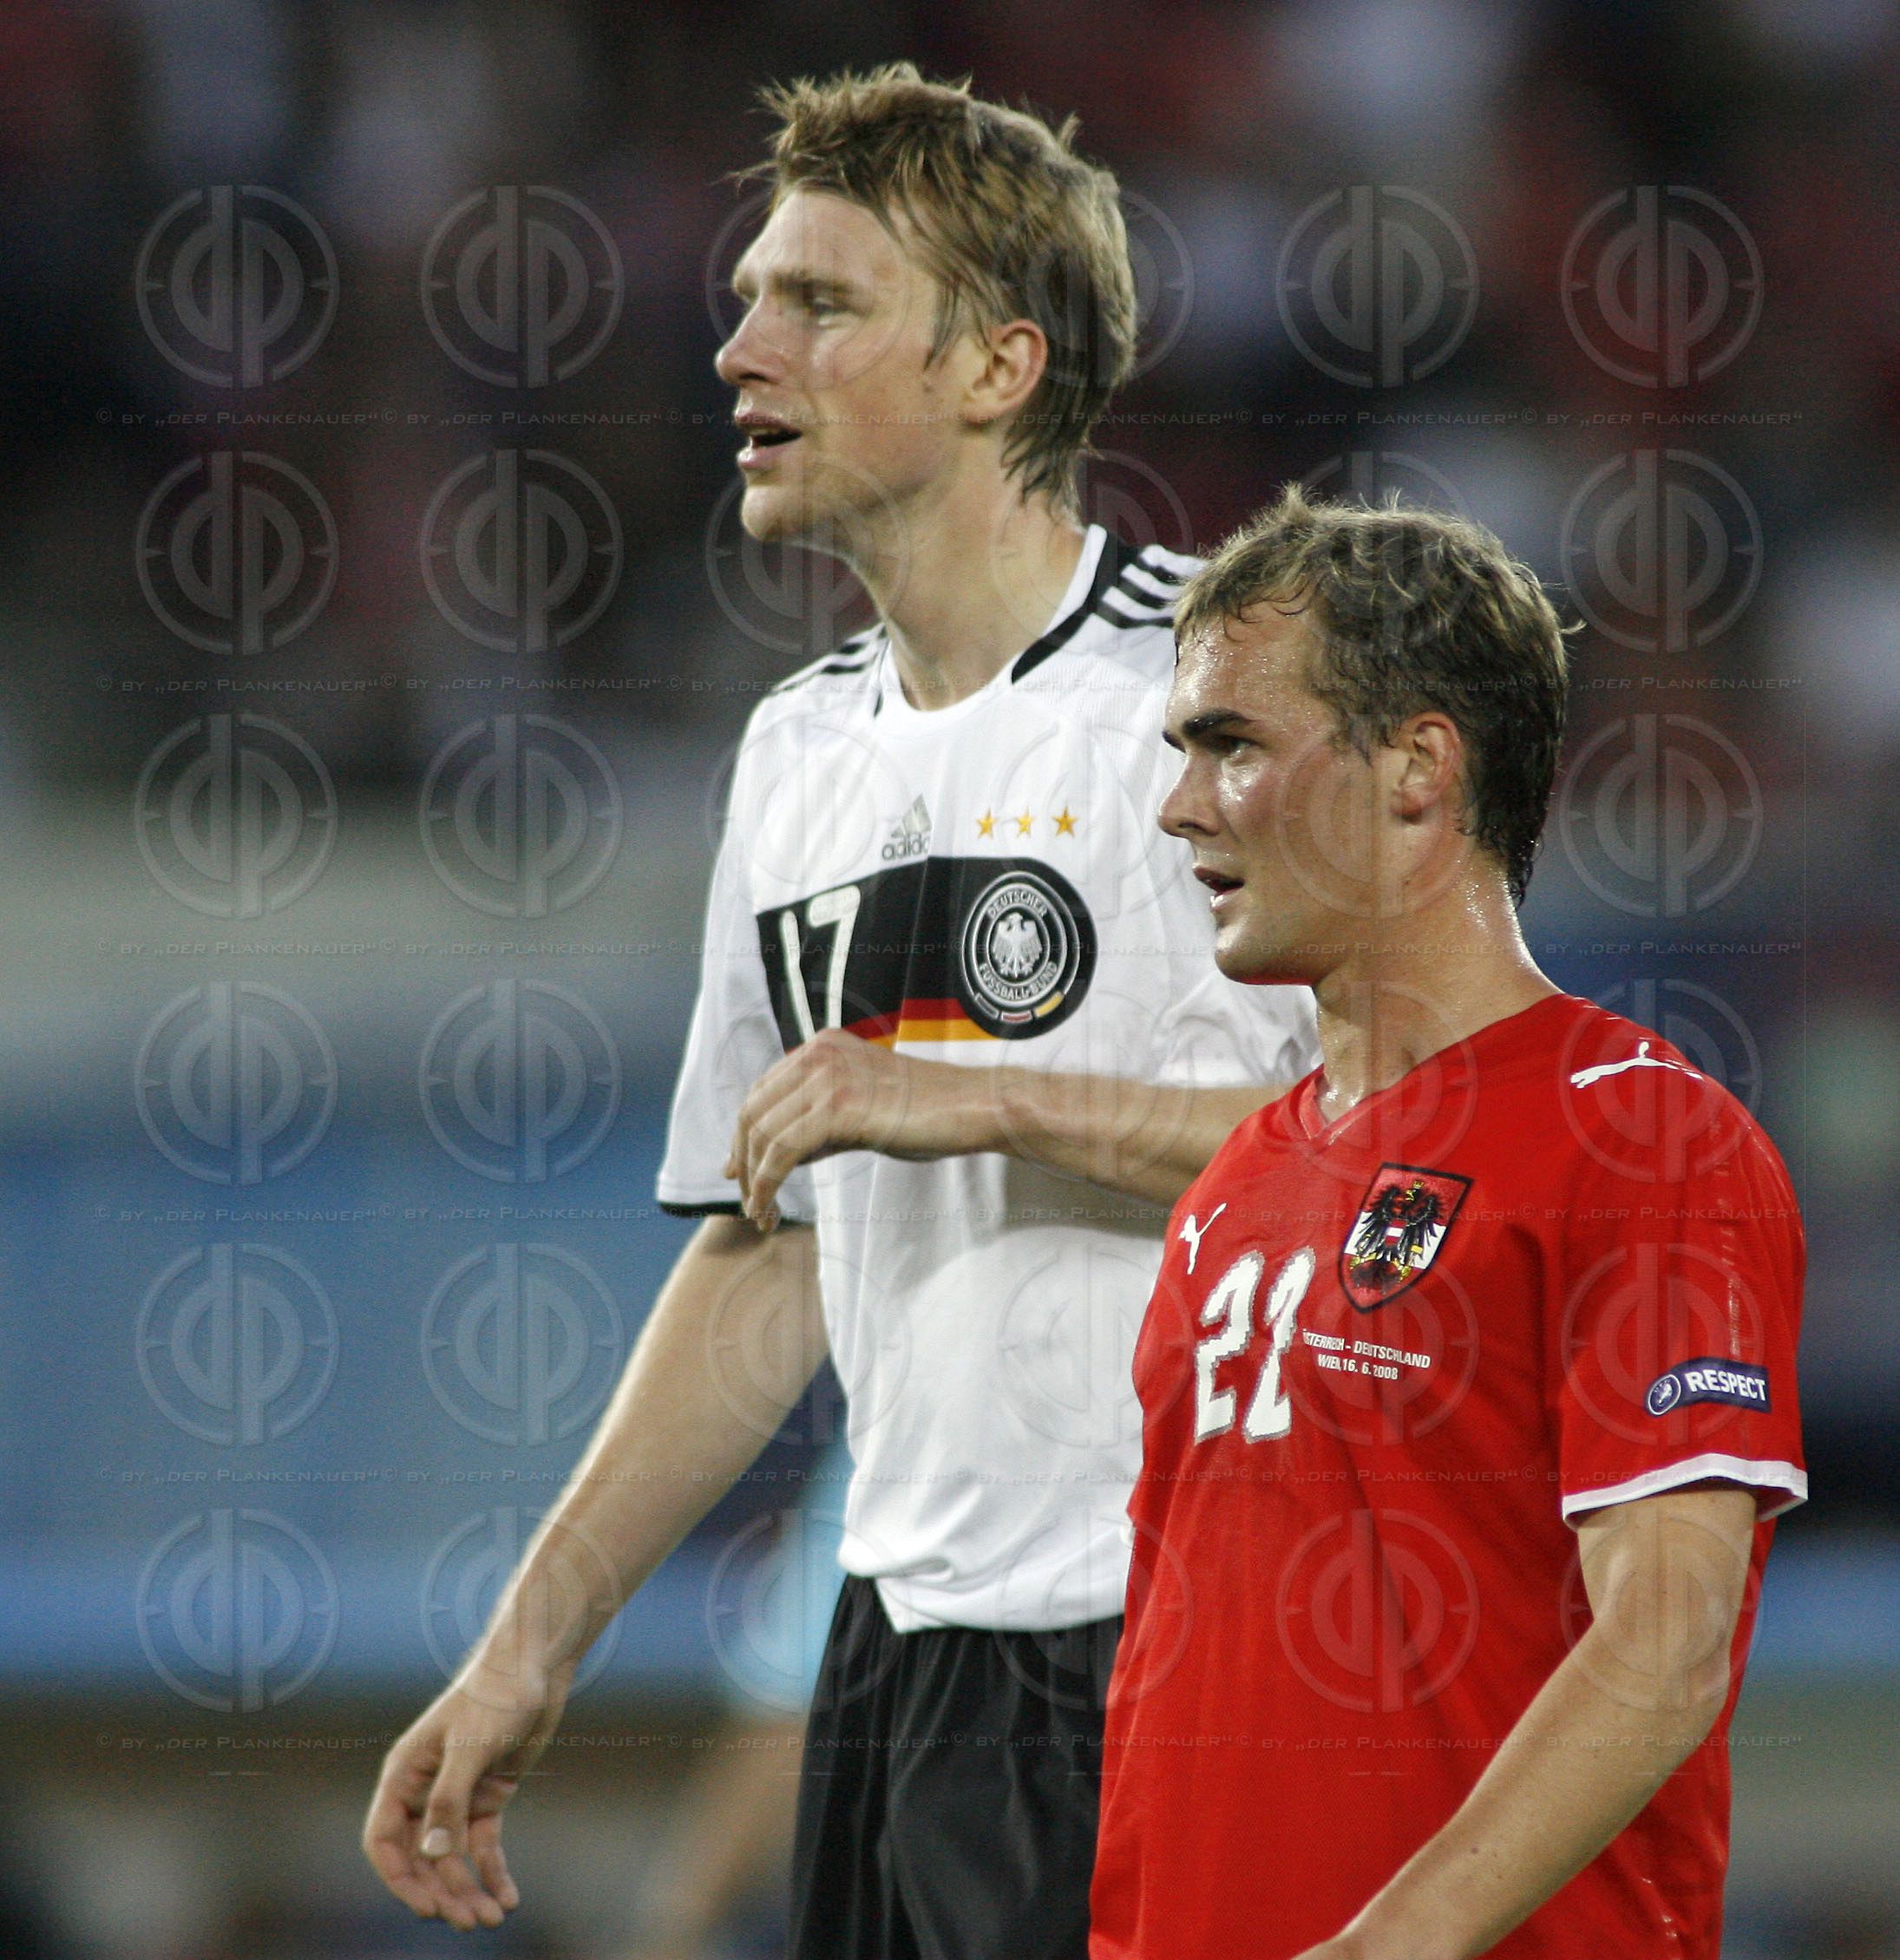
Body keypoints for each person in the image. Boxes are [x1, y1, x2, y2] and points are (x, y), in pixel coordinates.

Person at [363, 65, 1316, 1960]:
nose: (738, 347)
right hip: (893, 1659)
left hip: (1185, 1637)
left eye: (817, 302)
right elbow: (766, 1245)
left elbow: (1416, 1150)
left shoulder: (1230, 684)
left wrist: (980, 1100)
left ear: (995, 368)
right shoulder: (797, 755)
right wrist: (531, 1641)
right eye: (745, 298)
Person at [1090, 487, 1805, 1960]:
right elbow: (1170, 1682)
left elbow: (1665, 1647)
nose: (1177, 804)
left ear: (1417, 768)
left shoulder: (1639, 1137)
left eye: (1231, 743)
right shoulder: (1234, 1195)